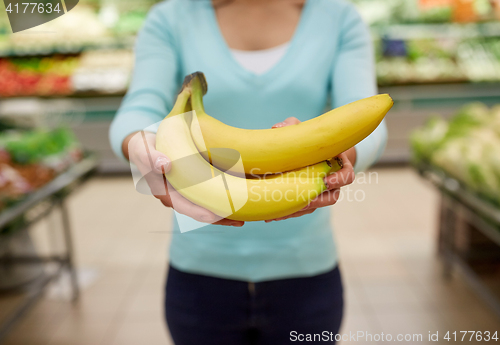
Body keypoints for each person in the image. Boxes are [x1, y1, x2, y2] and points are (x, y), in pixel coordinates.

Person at [109, 0, 387, 343]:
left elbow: (365, 117)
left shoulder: (338, 17)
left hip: (305, 268)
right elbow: (139, 107)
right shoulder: (171, 17)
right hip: (199, 271)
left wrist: (345, 154)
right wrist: (142, 149)